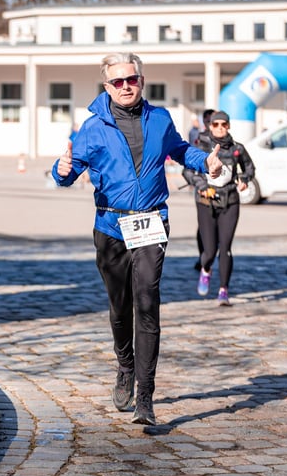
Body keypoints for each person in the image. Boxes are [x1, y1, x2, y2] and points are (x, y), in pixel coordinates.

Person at [52, 52, 222, 425]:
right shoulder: (93, 127)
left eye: (132, 80)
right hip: (110, 227)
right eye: (118, 82)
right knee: (120, 307)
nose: (126, 86)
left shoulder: (160, 118)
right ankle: (125, 365)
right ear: (106, 86)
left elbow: (180, 150)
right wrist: (61, 170)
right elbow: (68, 171)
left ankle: (145, 397)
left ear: (142, 81)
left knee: (147, 302)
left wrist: (205, 159)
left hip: (151, 223)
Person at [183, 110, 255, 306]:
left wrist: (244, 180)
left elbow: (249, 168)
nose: (220, 128)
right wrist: (202, 186)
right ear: (210, 126)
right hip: (206, 202)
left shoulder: (237, 148)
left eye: (224, 124)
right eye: (216, 125)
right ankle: (206, 269)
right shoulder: (201, 145)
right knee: (209, 250)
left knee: (226, 248)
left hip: (230, 201)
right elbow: (188, 170)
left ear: (229, 126)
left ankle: (224, 290)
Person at [188, 108, 217, 270]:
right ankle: (203, 257)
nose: (209, 124)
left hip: (222, 190)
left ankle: (211, 254)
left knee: (219, 226)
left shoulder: (224, 139)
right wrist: (199, 183)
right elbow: (189, 164)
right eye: (206, 121)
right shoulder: (199, 139)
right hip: (202, 187)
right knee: (204, 225)